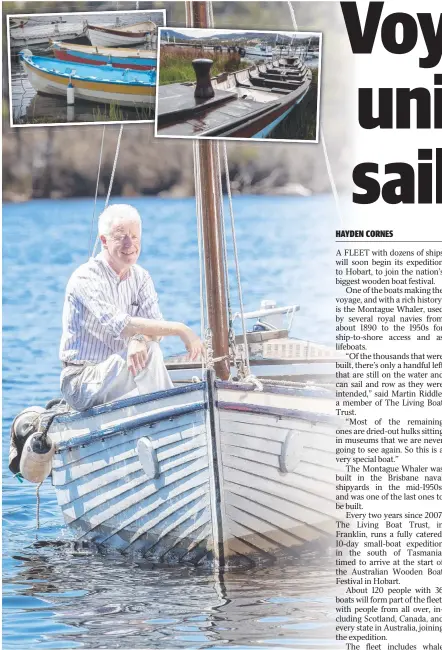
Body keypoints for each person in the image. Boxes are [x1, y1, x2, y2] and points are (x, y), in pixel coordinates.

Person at [59, 204, 204, 412]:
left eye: (135, 237)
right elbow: (121, 325)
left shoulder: (141, 277)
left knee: (150, 348)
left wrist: (139, 339)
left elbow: (155, 331)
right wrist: (181, 329)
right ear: (104, 241)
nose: (130, 244)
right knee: (151, 353)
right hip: (82, 381)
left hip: (120, 371)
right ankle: (174, 415)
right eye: (121, 237)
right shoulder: (86, 278)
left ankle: (166, 414)